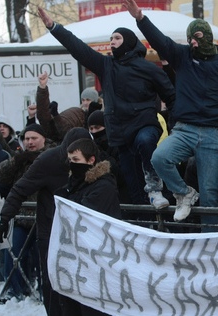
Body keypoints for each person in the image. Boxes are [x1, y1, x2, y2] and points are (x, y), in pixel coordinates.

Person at [37, 7, 176, 210]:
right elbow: (79, 49)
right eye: (111, 38)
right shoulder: (106, 66)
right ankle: (144, 225)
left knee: (145, 141)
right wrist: (54, 27)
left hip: (145, 124)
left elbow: (171, 96)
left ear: (128, 42)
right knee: (134, 187)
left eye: (117, 38)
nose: (112, 42)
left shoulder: (148, 68)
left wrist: (175, 126)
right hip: (121, 133)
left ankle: (155, 187)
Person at [124, 0, 218, 229]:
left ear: (207, 37)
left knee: (210, 195)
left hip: (213, 133)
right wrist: (140, 18)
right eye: (191, 37)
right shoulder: (183, 56)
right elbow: (160, 40)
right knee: (159, 158)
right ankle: (183, 193)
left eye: (198, 36)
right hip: (185, 129)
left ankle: (210, 241)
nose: (193, 42)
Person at [0, 127, 91, 315]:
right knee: (52, 282)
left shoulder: (94, 159)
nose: (74, 162)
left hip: (83, 232)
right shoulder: (48, 161)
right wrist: (5, 219)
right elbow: (19, 189)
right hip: (51, 230)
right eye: (71, 158)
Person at [55, 138, 120, 316]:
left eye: (76, 160)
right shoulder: (75, 184)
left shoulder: (104, 186)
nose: (71, 164)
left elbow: (82, 212)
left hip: (98, 259)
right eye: (69, 160)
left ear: (91, 160)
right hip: (79, 259)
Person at [0, 123, 53, 301]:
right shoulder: (21, 158)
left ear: (43, 139)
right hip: (20, 217)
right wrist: (17, 160)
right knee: (14, 256)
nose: (30, 142)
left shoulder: (52, 156)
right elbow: (0, 175)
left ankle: (45, 291)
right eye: (27, 138)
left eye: (34, 138)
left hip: (43, 217)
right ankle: (14, 291)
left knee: (41, 259)